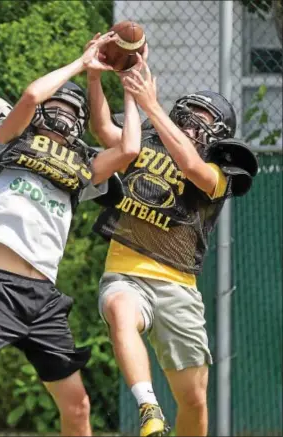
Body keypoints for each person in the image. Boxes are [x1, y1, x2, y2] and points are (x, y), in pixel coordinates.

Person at [0, 32, 143, 437]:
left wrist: (126, 83)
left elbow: (128, 150)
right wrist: (81, 63)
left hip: (45, 299)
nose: (66, 115)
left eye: (75, 112)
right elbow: (33, 96)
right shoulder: (7, 141)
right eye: (60, 106)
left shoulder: (81, 165)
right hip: (1, 287)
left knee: (78, 406)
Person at [88, 59, 258, 437]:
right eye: (187, 117)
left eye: (201, 122)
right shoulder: (146, 141)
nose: (190, 125)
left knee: (195, 402)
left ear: (217, 137)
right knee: (119, 309)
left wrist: (150, 104)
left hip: (177, 285)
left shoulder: (219, 172)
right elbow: (102, 128)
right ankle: (148, 408)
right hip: (126, 272)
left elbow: (189, 163)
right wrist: (98, 76)